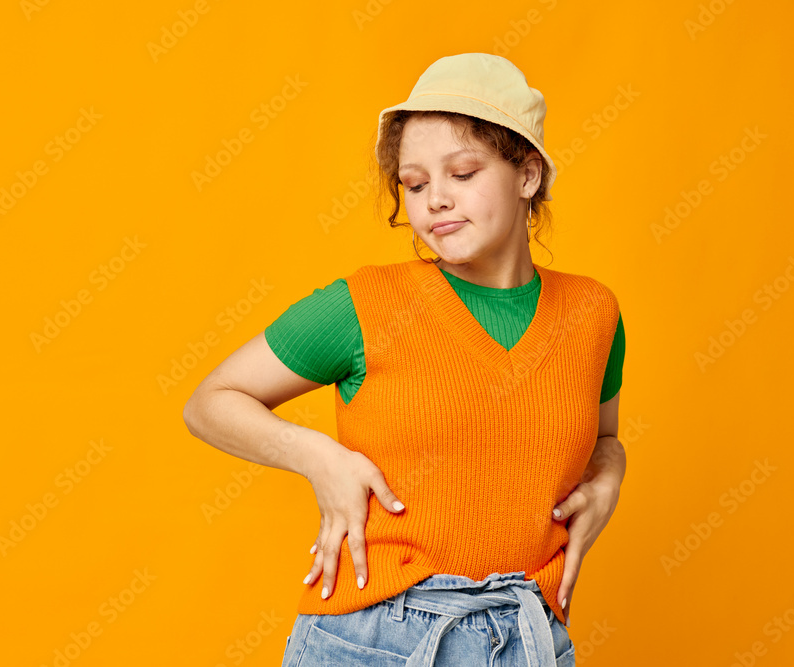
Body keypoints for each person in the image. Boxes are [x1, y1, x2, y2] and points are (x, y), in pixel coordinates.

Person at [183, 53, 626, 666]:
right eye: (415, 185)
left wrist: (610, 477)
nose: (435, 201)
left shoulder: (592, 313)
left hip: (528, 638)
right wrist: (319, 457)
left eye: (463, 173)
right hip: (373, 636)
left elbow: (605, 436)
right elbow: (209, 403)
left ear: (527, 175)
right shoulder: (366, 304)